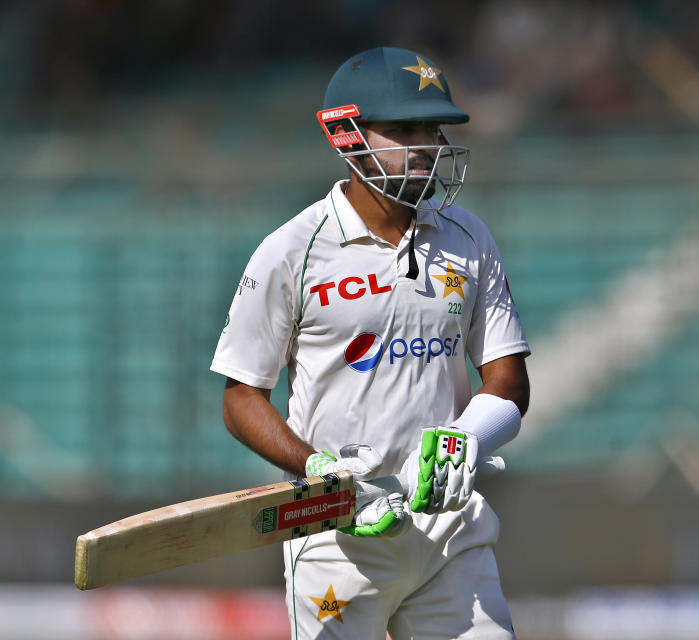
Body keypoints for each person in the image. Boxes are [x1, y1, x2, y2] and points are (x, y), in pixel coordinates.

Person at [211, 46, 530, 639]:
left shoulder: (470, 238)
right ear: (348, 136)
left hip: (450, 530)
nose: (427, 145)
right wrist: (319, 470)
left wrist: (464, 439)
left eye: (431, 128)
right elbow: (240, 398)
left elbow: (508, 384)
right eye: (404, 129)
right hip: (339, 535)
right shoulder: (291, 250)